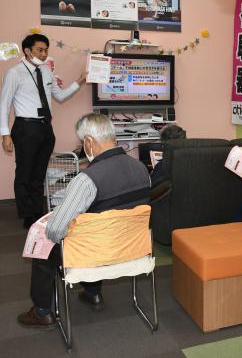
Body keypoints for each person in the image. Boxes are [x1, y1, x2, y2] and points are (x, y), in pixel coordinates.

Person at [17, 113, 151, 327]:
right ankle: (92, 293)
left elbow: (56, 230)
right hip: (131, 247)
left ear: (88, 142)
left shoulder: (87, 180)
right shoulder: (142, 168)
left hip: (95, 251)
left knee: (45, 243)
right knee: (98, 226)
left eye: (82, 142)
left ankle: (41, 312)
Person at [0, 34, 87, 229]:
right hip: (25, 127)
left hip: (45, 128)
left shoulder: (46, 71)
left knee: (39, 174)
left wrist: (80, 80)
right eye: (40, 50)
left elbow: (60, 96)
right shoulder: (14, 73)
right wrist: (5, 134)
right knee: (24, 173)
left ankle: (38, 213)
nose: (44, 54)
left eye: (46, 50)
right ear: (27, 51)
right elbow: (4, 104)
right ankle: (27, 215)